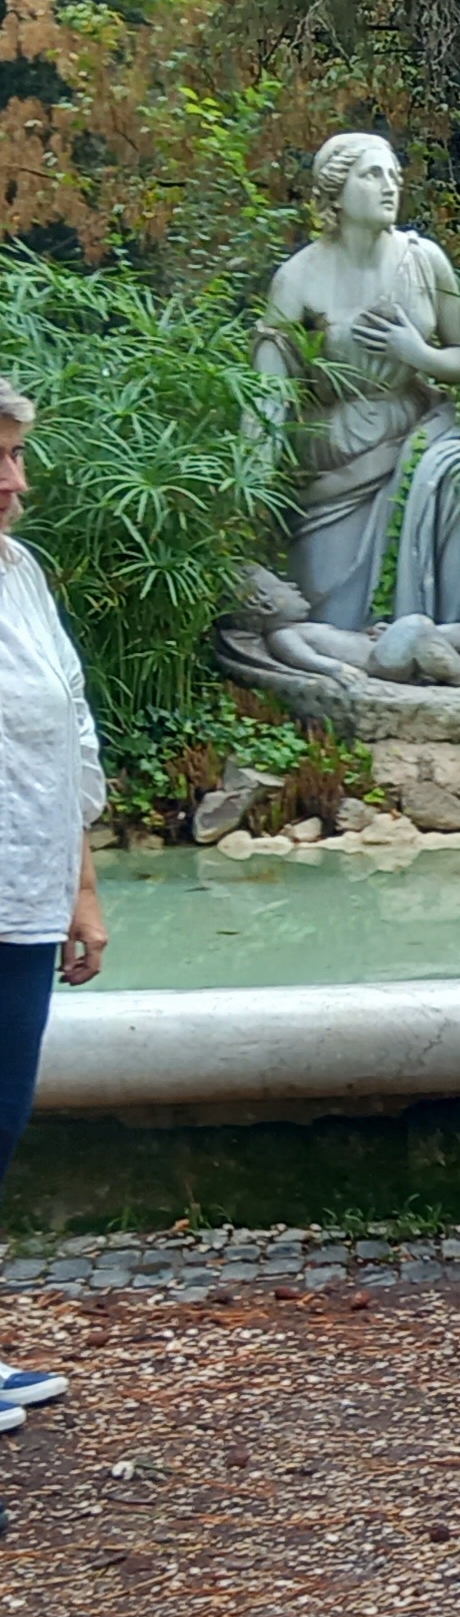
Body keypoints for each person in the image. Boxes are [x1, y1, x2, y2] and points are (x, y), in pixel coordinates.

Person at [252, 133, 460, 629]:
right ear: (335, 192)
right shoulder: (297, 279)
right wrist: (252, 486)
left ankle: (455, 637)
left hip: (418, 431)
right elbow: (267, 396)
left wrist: (419, 354)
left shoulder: (425, 260)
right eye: (372, 175)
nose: (390, 186)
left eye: (394, 176)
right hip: (334, 454)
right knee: (335, 623)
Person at [0, 378, 105, 1431]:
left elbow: (69, 733)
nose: (14, 479)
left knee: (0, 1117)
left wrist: (82, 889)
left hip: (22, 896)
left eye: (16, 454)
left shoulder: (19, 571)